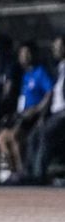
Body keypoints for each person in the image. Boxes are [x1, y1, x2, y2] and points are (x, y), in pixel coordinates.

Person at [0, 43, 53, 183]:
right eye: (21, 54)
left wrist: (38, 109)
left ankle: (23, 172)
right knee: (1, 138)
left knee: (14, 136)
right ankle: (11, 171)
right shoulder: (25, 76)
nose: (24, 57)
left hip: (33, 117)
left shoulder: (40, 72)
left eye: (27, 53)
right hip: (21, 116)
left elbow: (49, 92)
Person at [26, 36, 65, 183]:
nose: (55, 49)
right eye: (54, 47)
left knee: (45, 133)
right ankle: (28, 172)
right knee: (32, 135)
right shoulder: (58, 68)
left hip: (63, 113)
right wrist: (42, 115)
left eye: (59, 46)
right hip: (54, 113)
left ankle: (38, 176)